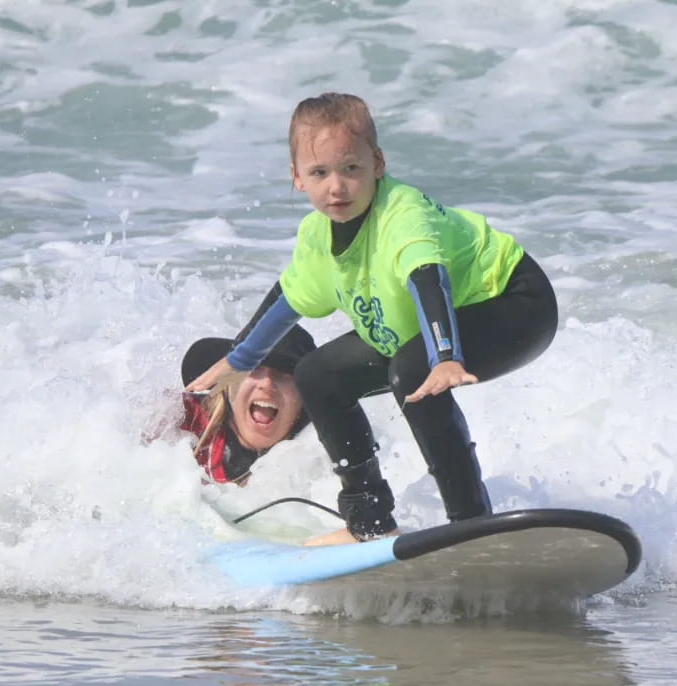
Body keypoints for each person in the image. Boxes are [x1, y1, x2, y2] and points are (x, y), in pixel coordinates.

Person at [187, 92, 558, 542]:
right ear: (297, 178)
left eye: (351, 169)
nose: (337, 187)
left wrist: (444, 355)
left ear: (377, 164)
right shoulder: (317, 237)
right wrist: (239, 361)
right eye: (319, 173)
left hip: (513, 302)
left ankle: (470, 523)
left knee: (412, 372)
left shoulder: (403, 215)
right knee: (317, 374)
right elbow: (287, 300)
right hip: (426, 326)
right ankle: (368, 522)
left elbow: (427, 278)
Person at [180, 324, 316, 485]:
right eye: (252, 367)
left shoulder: (318, 460)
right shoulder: (183, 421)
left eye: (285, 374)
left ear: (303, 399)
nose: (266, 383)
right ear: (228, 382)